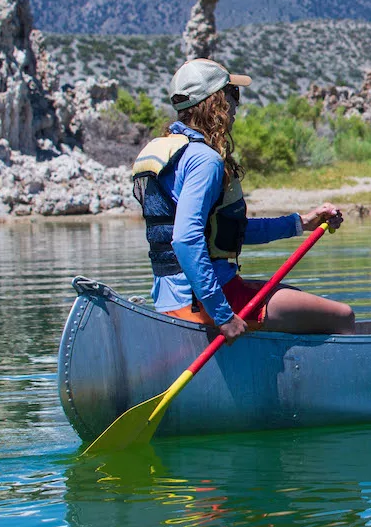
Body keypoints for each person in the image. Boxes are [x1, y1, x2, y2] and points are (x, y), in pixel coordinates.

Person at [133, 58, 353, 340]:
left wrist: (301, 223)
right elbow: (186, 239)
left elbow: (227, 231)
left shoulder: (168, 153)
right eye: (233, 95)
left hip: (169, 301)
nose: (237, 106)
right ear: (217, 103)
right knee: (342, 317)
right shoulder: (205, 161)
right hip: (207, 300)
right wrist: (223, 314)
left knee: (295, 302)